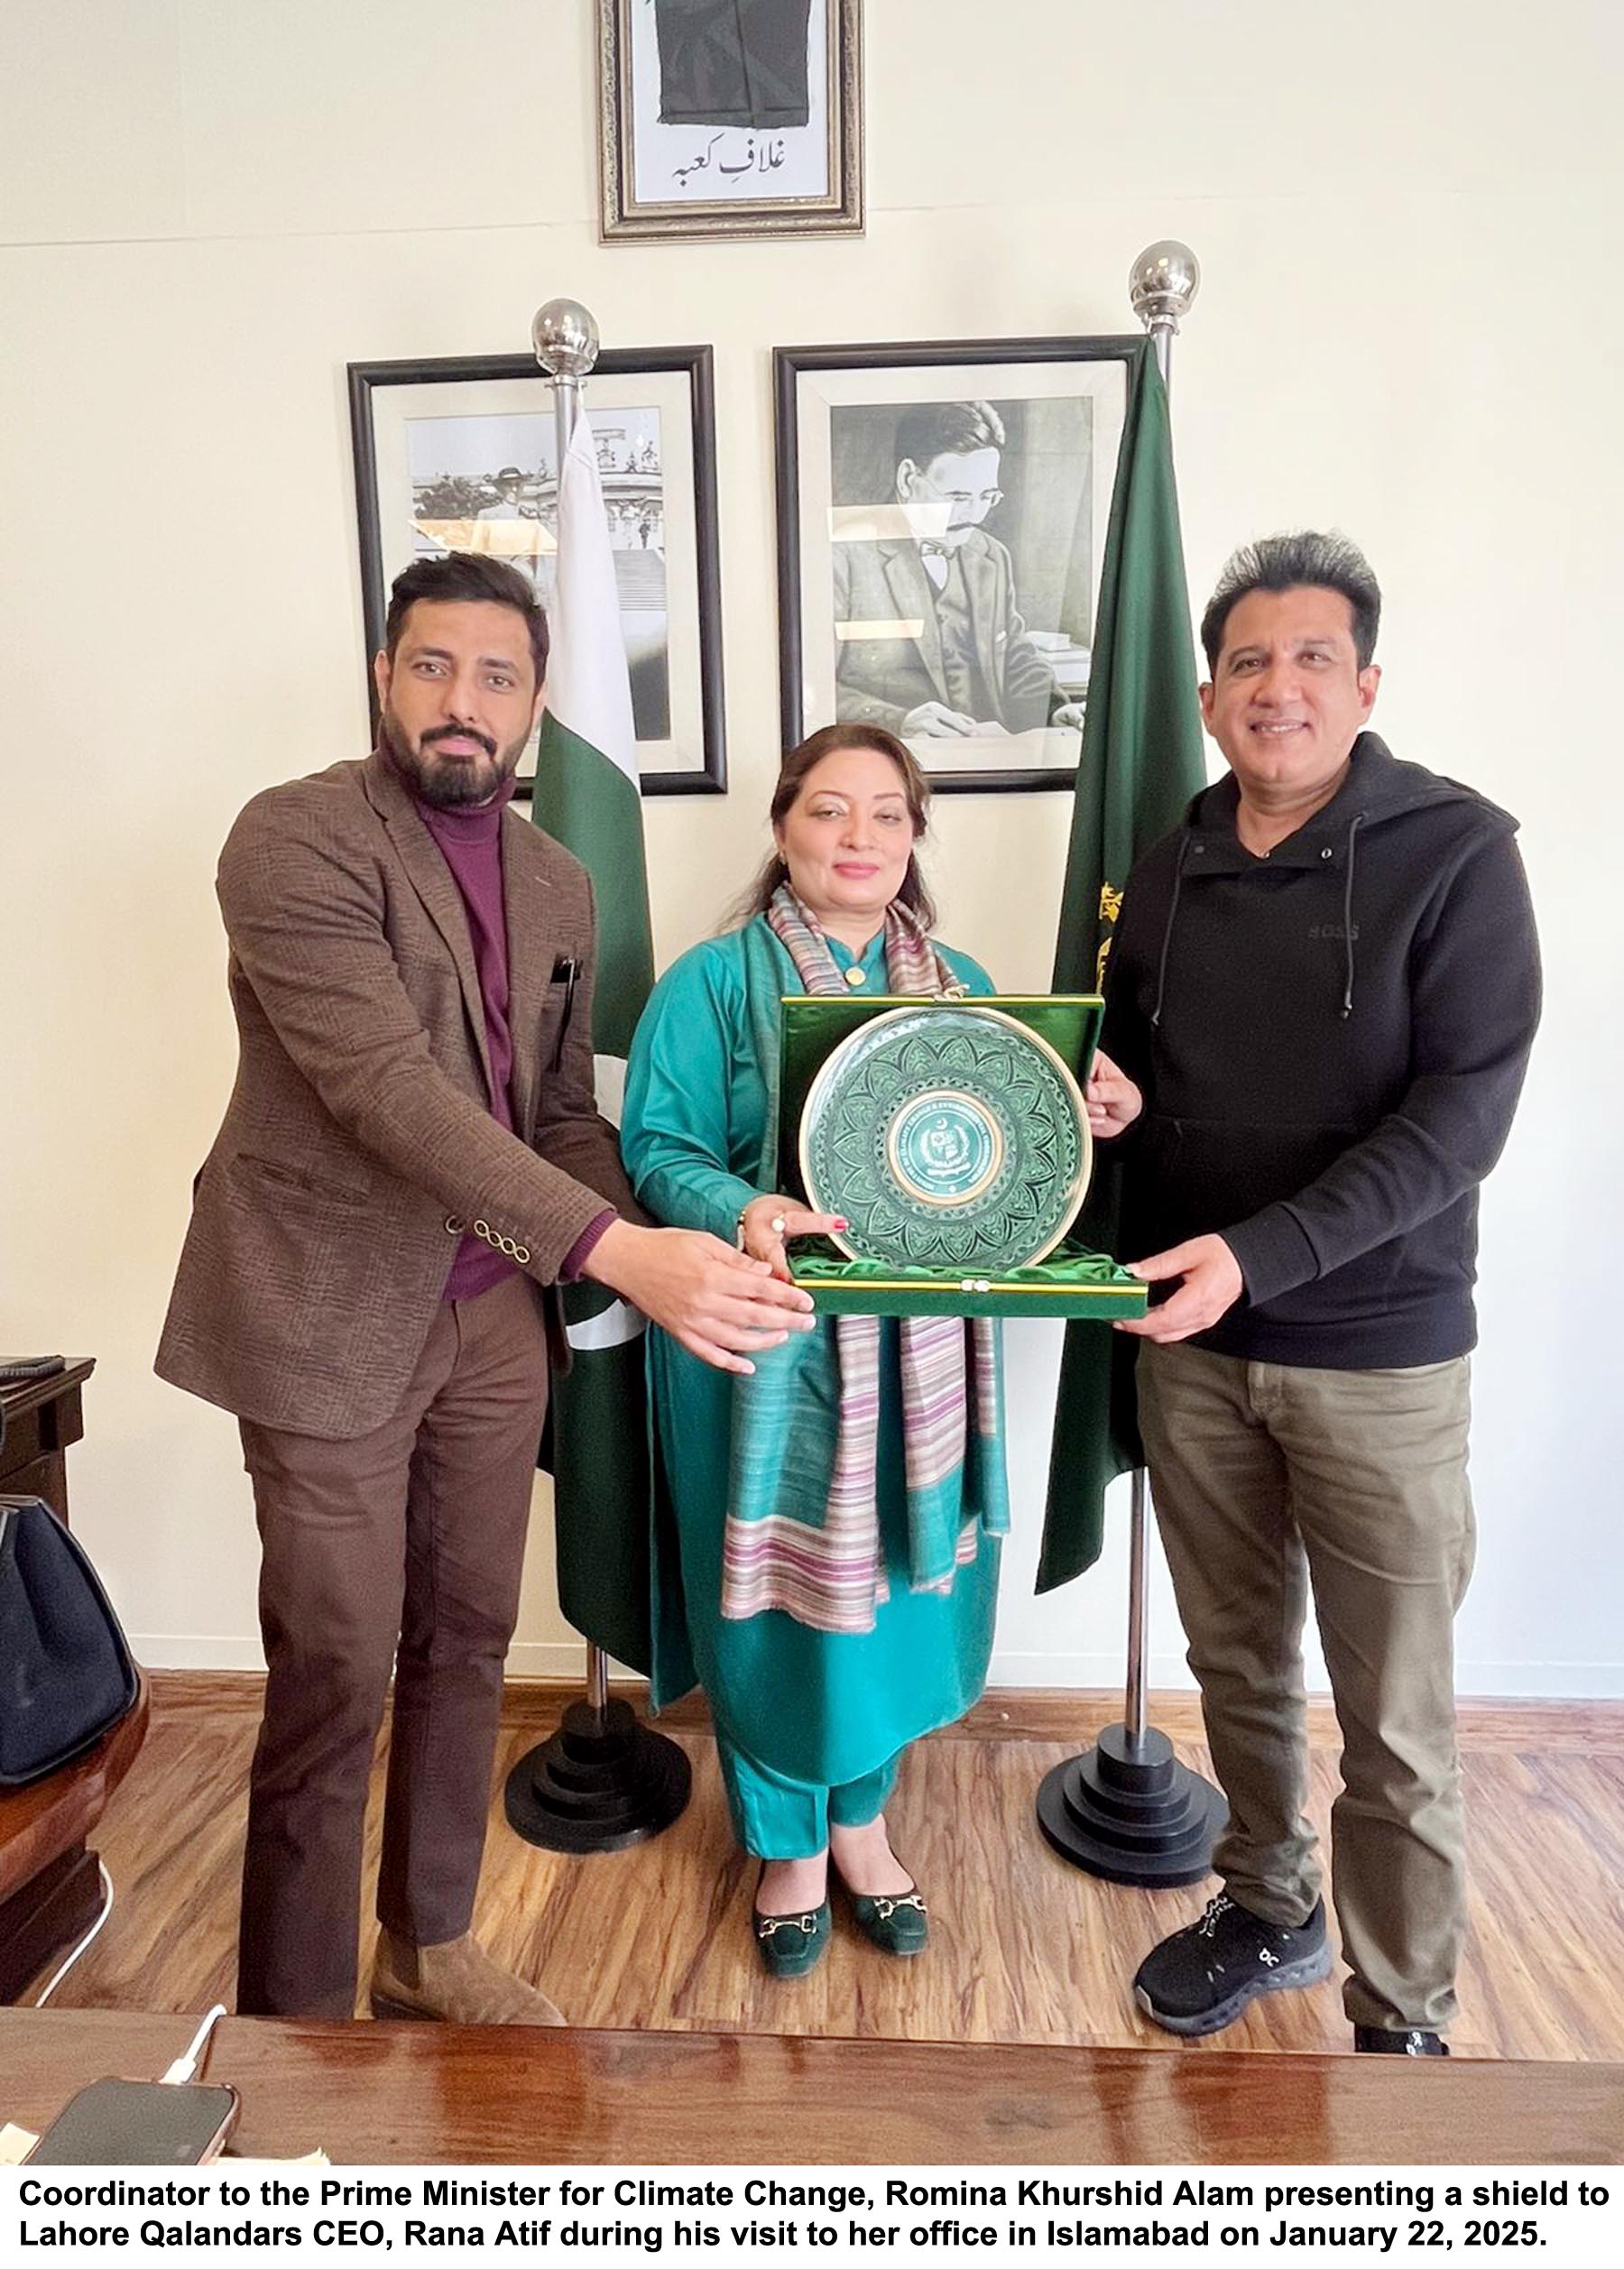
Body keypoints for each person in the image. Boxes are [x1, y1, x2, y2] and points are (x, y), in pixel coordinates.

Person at [156, 552, 815, 2025]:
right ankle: (295, 2024)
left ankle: (429, 1944)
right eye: (435, 665)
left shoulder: (557, 879)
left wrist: (699, 1226)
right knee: (336, 1669)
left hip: (493, 1323)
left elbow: (555, 1114)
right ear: (383, 677)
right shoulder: (292, 839)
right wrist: (620, 1256)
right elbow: (386, 1091)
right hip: (322, 1316)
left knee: (464, 1637)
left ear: (532, 704)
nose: (465, 700)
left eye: (498, 675)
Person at [1084, 530, 1541, 2055]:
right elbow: (1147, 1076)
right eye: (1248, 663)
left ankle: (1402, 2015)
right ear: (1209, 697)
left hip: (1380, 1360)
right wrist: (1109, 1101)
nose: (1277, 687)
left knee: (1395, 1720)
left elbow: (1458, 1122)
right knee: (1237, 1671)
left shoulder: (1459, 851)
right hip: (1193, 1346)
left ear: (1366, 684)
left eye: (1311, 658)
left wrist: (1260, 1254)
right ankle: (1270, 1903)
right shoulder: (1168, 865)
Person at [620, 724, 1009, 1975]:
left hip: (921, 1350)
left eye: (888, 813)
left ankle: (862, 1824)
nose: (859, 835)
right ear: (783, 825)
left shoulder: (961, 983)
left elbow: (998, 1150)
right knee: (777, 1607)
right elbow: (655, 1145)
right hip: (762, 1341)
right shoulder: (711, 982)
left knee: (889, 1588)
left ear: (914, 836)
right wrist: (747, 1205)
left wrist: (1076, 1102)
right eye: (830, 809)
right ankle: (785, 1844)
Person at [833, 400, 1084, 742]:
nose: (974, 515)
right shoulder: (843, 555)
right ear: (908, 479)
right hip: (889, 755)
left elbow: (1014, 656)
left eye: (987, 496)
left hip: (986, 757)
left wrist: (1052, 710)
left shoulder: (992, 556)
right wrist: (898, 721)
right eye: (958, 497)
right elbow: (813, 686)